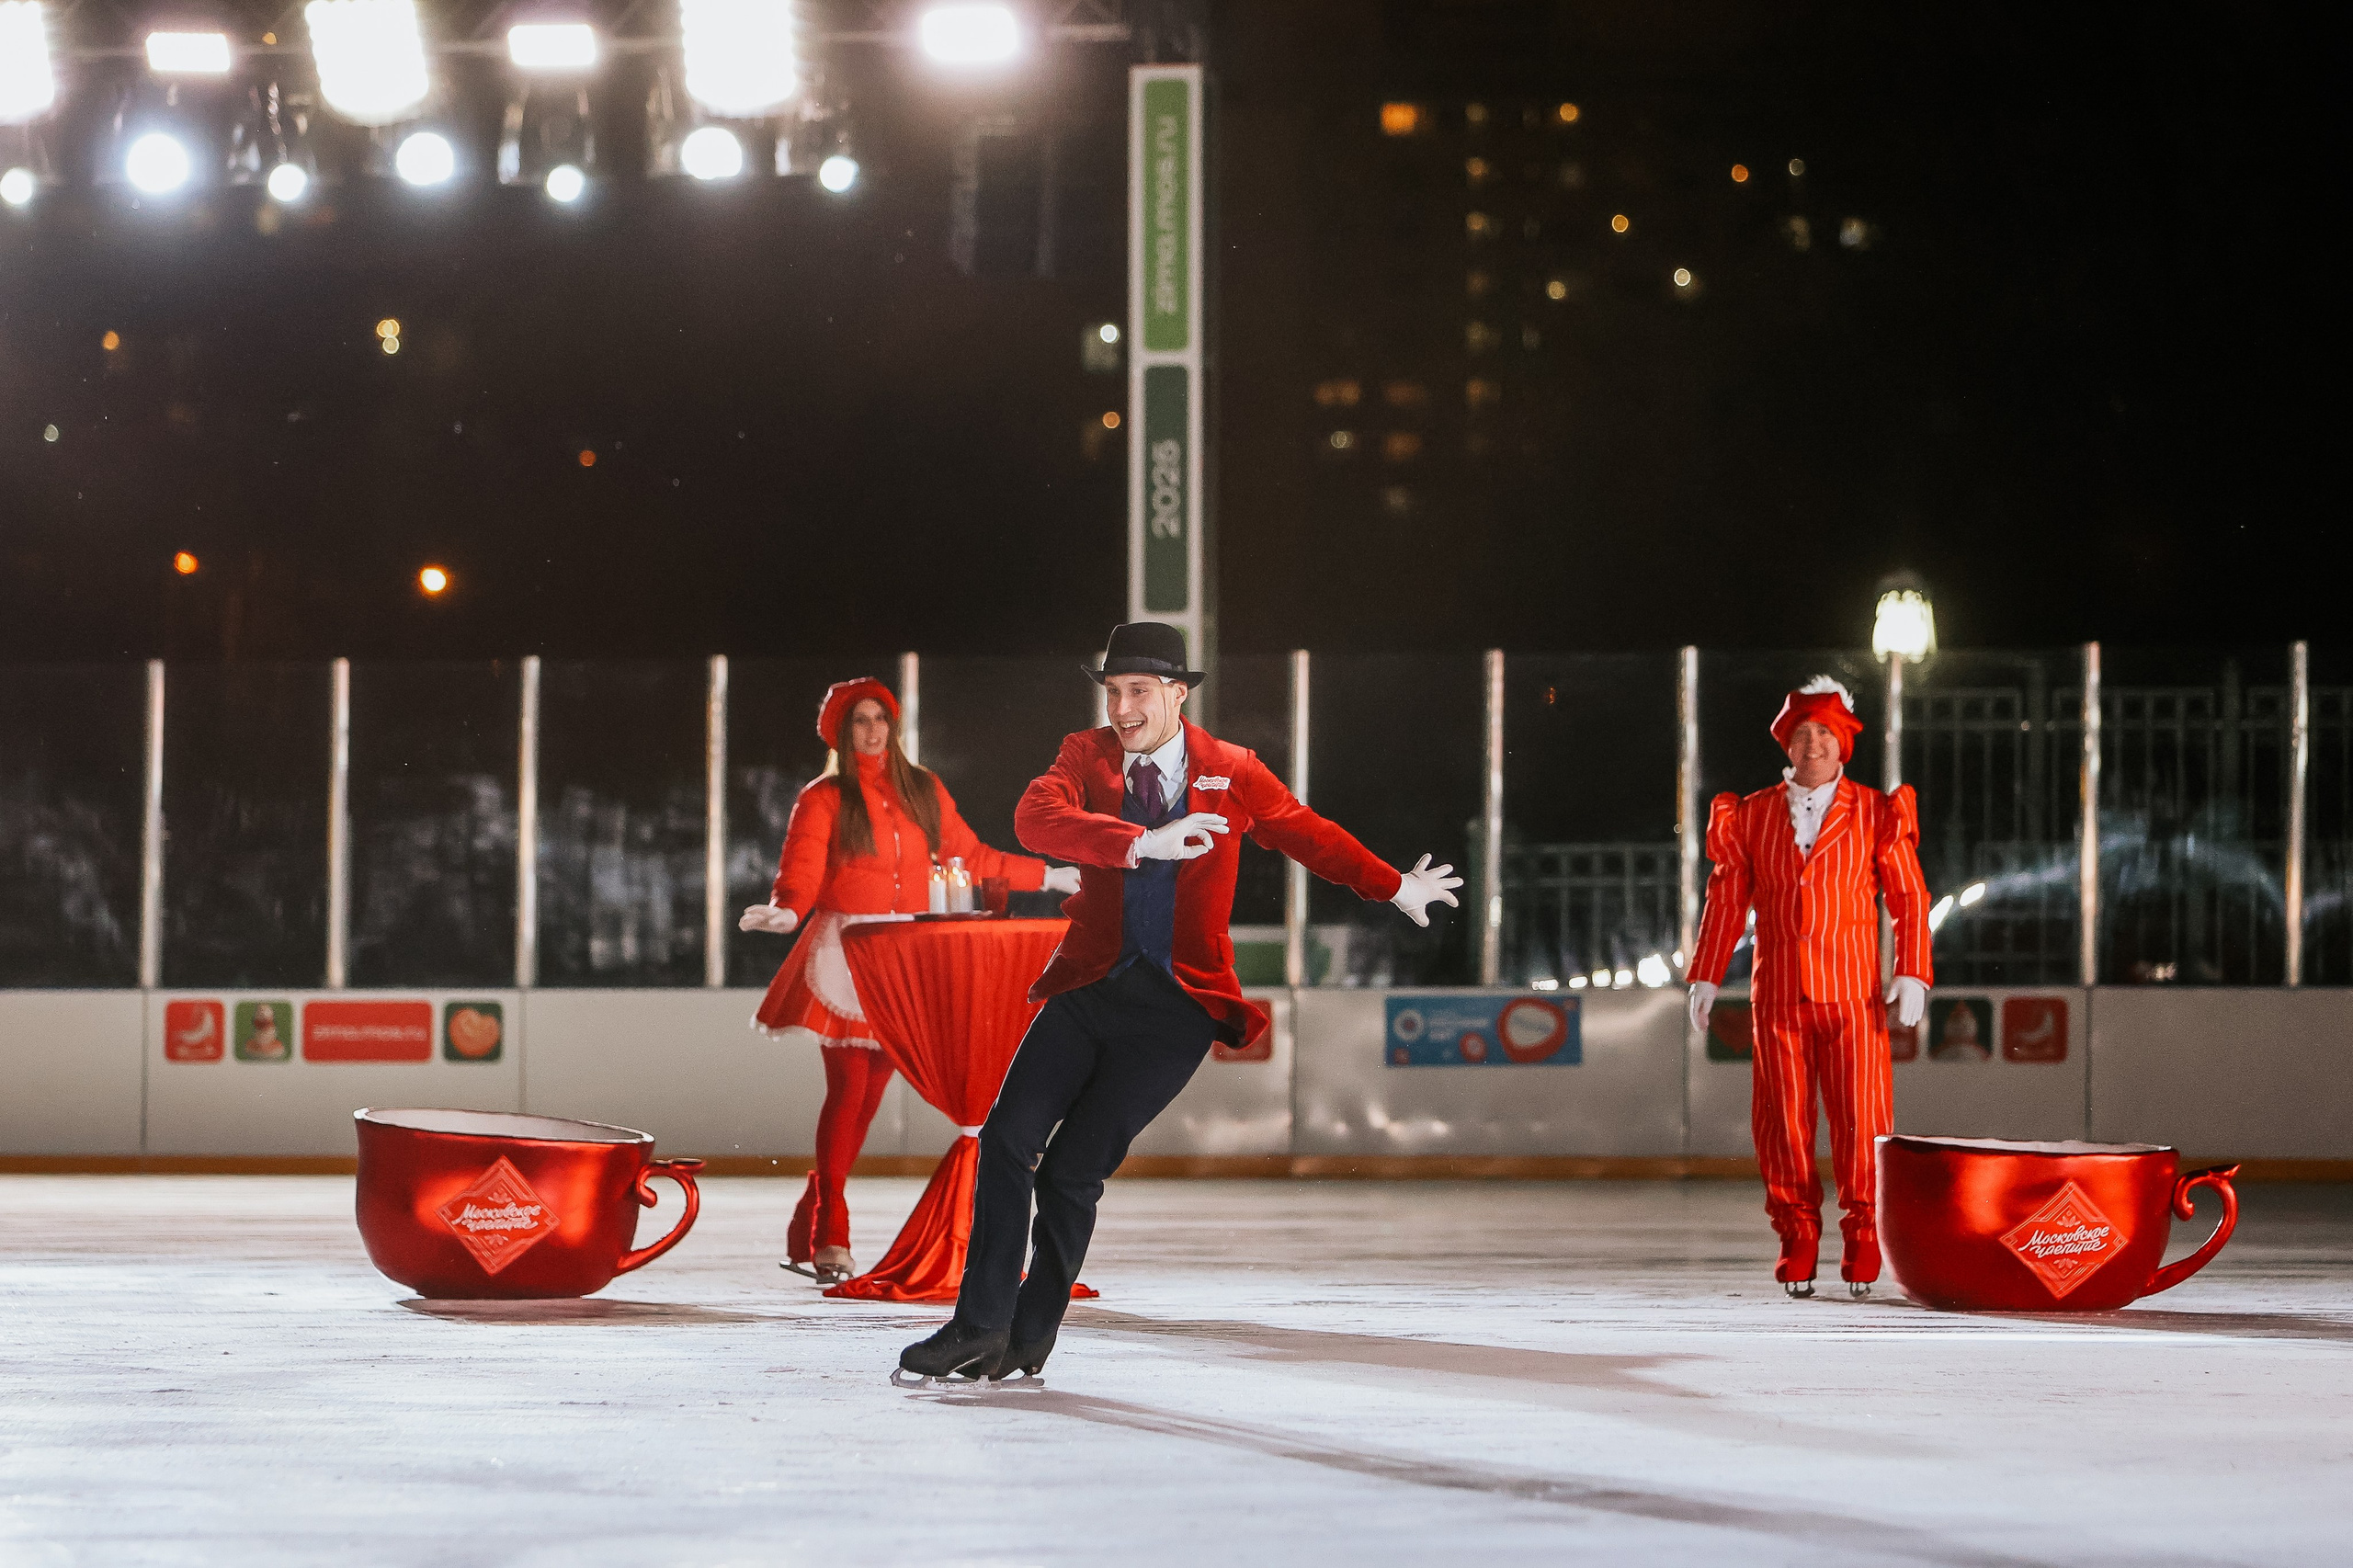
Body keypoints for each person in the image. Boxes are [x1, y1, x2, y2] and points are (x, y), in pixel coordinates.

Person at [898, 622, 1463, 1381]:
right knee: (1007, 1139)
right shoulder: (1085, 756)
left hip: (1174, 1012)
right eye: (1112, 692)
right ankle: (978, 1325)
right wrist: (1142, 844)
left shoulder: (1231, 770)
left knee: (1073, 1171)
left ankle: (1029, 1337)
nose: (1122, 709)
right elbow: (1034, 821)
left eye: (1138, 692)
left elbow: (1306, 833)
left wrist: (1394, 885)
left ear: (1177, 693)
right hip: (1087, 989)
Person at [742, 676, 1082, 1285]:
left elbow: (972, 857)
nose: (872, 730)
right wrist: (787, 911)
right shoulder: (824, 798)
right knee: (849, 1093)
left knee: (868, 1099)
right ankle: (831, 1233)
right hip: (850, 951)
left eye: (880, 719)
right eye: (859, 721)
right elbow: (803, 870)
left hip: (906, 954)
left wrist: (1050, 877)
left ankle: (813, 1217)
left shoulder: (922, 790)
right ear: (840, 732)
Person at [1684, 676, 1933, 1299]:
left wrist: (1912, 969)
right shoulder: (1750, 815)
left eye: (1824, 732)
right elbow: (1726, 899)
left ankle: (1862, 1234)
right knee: (1782, 1124)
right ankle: (1796, 1233)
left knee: (1861, 1121)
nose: (1813, 744)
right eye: (1802, 734)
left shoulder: (1877, 811)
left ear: (1844, 742)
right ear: (1785, 744)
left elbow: (1908, 897)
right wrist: (1707, 973)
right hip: (1778, 1000)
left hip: (1853, 997)